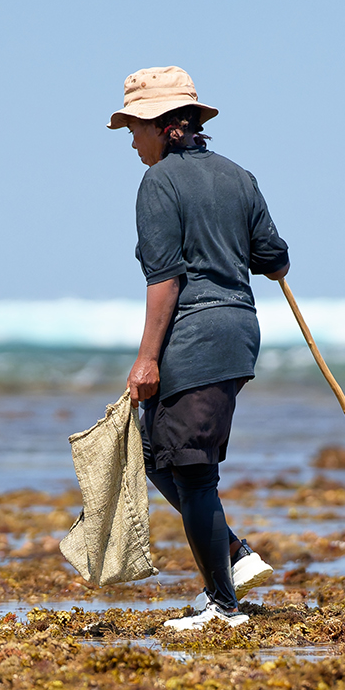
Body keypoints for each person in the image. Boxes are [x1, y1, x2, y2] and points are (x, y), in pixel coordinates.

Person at [109, 66, 288, 630]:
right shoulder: (240, 177)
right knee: (152, 454)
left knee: (190, 469)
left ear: (164, 127)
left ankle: (222, 604)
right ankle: (231, 556)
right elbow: (275, 259)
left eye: (135, 128)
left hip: (194, 337)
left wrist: (146, 359)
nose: (132, 140)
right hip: (238, 335)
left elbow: (163, 280)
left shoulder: (158, 183)